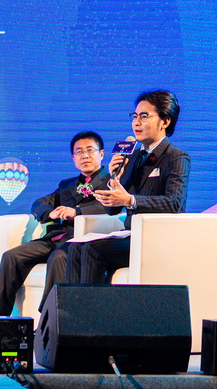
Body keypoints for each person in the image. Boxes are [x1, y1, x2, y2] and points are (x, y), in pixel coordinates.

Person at [0, 131, 109, 336]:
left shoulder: (112, 182)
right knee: (12, 256)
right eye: (79, 152)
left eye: (90, 150)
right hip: (55, 237)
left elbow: (110, 208)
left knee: (58, 258)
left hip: (82, 241)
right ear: (73, 158)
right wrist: (49, 213)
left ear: (102, 154)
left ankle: (47, 322)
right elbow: (39, 203)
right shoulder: (67, 185)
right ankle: (0, 320)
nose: (85, 156)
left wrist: (77, 212)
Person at [65, 90, 190, 284]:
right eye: (135, 116)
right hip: (131, 234)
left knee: (92, 250)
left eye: (144, 116)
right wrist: (114, 179)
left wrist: (130, 200)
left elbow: (174, 203)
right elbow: (112, 210)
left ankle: (90, 305)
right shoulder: (133, 157)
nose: (136, 122)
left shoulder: (176, 156)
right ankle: (69, 304)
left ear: (165, 121)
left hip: (157, 238)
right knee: (75, 248)